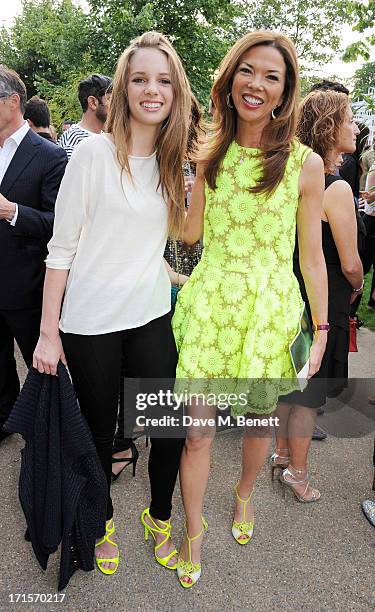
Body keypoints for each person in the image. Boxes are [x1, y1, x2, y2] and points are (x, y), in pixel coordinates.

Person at [172, 30, 328, 588]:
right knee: (197, 434)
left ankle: (243, 496)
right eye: (248, 71)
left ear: (285, 93)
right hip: (212, 306)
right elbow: (188, 234)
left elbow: (311, 256)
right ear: (230, 77)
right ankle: (193, 530)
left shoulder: (306, 165)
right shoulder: (209, 148)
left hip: (269, 310)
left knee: (260, 422)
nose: (256, 84)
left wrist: (323, 325)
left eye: (272, 77)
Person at [33, 31, 192, 576]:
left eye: (164, 80)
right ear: (123, 89)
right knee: (100, 432)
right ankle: (100, 524)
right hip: (93, 321)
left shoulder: (173, 163)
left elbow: (147, 248)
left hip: (150, 312)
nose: (153, 90)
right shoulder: (93, 155)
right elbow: (62, 249)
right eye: (142, 79)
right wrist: (48, 332)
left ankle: (159, 515)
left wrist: (184, 280)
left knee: (165, 424)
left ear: (176, 91)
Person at [273, 90, 363, 502]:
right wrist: (359, 282)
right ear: (329, 127)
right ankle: (298, 472)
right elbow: (349, 263)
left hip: (292, 292)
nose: (356, 127)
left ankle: (279, 453)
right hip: (323, 296)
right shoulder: (337, 188)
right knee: (308, 394)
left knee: (289, 383)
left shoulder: (293, 175)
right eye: (348, 119)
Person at [111, 93, 204, 481]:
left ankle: (169, 439)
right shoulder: (150, 163)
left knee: (175, 375)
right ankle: (123, 441)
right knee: (135, 371)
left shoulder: (207, 171)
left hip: (196, 289)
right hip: (157, 283)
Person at [0, 65, 67, 444]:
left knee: (40, 365)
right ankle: (5, 421)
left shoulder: (50, 156)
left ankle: (47, 436)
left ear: (13, 102)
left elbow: (60, 224)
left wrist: (12, 211)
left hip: (28, 287)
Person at [57, 74, 112, 159]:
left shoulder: (104, 137)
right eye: (110, 99)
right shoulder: (73, 140)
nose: (116, 106)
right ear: (92, 102)